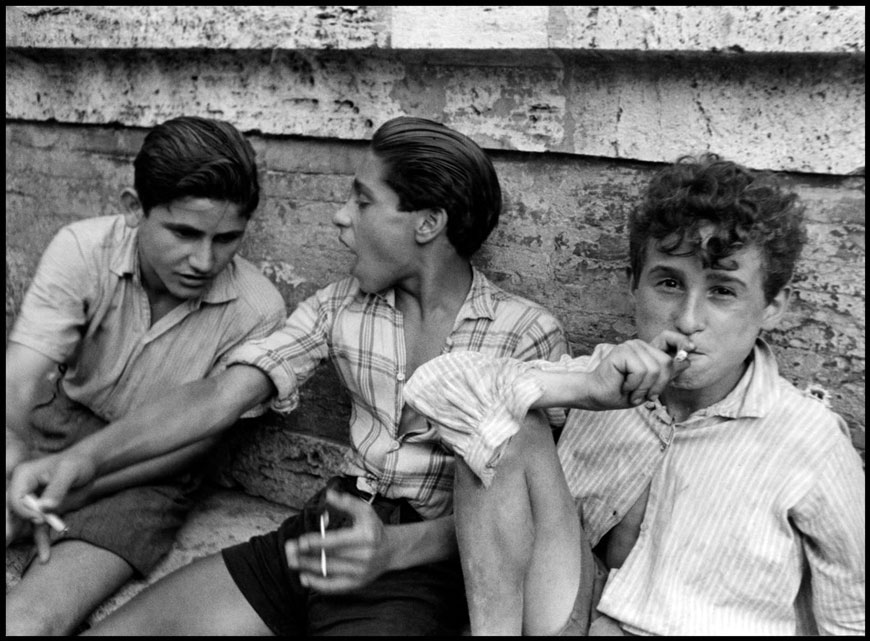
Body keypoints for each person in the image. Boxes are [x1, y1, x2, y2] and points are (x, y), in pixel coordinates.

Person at [9, 116, 570, 635]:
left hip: (421, 566)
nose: (340, 216)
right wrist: (79, 462)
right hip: (322, 533)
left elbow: (539, 519)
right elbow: (222, 395)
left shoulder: (523, 335)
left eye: (363, 200)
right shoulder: (340, 306)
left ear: (427, 223)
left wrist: (394, 550)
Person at [403, 153, 866, 635]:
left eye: (723, 291)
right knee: (507, 415)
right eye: (668, 283)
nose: (688, 320)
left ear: (773, 306)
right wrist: (585, 388)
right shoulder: (602, 377)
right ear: (633, 285)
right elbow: (435, 388)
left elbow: (852, 621)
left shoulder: (810, 441)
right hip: (572, 616)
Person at [4, 115, 287, 636]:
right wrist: (15, 446)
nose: (203, 259)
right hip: (55, 426)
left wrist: (82, 486)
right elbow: (22, 378)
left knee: (25, 622)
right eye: (183, 232)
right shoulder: (83, 249)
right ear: (135, 208)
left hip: (151, 474)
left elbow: (198, 442)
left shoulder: (258, 310)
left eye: (227, 238)